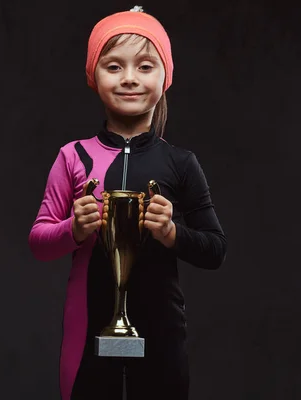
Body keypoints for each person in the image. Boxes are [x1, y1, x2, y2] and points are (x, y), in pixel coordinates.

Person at [28, 6, 227, 400]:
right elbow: (39, 241)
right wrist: (74, 228)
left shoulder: (181, 163)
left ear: (165, 76)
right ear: (93, 76)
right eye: (114, 66)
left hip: (162, 331)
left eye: (145, 66)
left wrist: (172, 233)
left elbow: (215, 249)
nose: (130, 79)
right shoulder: (73, 157)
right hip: (87, 330)